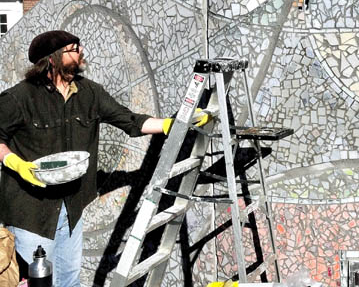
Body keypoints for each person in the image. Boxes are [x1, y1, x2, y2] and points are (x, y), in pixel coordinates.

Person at [0, 30, 208, 286]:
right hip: (31, 210)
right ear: (52, 59)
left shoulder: (89, 93)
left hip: (72, 206)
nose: (80, 52)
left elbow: (130, 121)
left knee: (70, 281)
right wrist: (14, 162)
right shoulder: (19, 98)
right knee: (40, 281)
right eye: (73, 48)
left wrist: (172, 124)